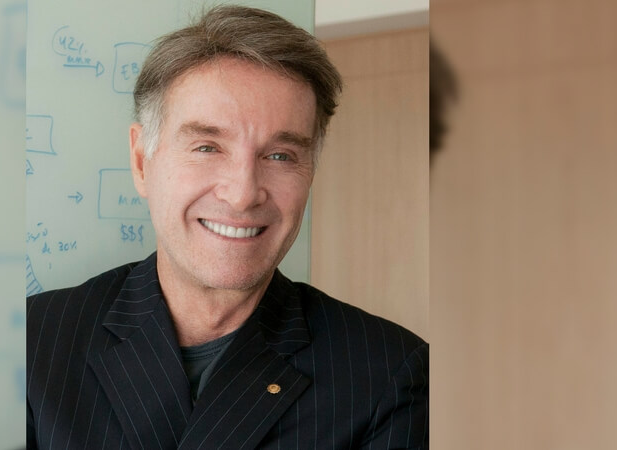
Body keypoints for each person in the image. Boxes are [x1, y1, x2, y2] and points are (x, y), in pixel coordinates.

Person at [27, 5, 428, 449]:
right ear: (142, 162)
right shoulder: (33, 340)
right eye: (207, 147)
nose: (242, 194)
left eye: (280, 156)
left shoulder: (389, 374)